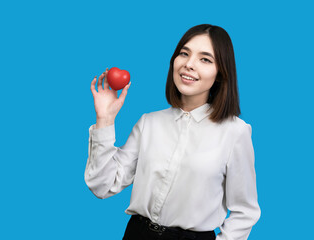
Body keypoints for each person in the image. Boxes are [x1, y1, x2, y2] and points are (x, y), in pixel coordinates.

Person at [85, 24, 261, 240]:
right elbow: (102, 185)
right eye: (184, 54)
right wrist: (105, 119)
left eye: (205, 59)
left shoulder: (235, 133)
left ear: (220, 73)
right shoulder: (149, 123)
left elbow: (245, 211)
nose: (189, 64)